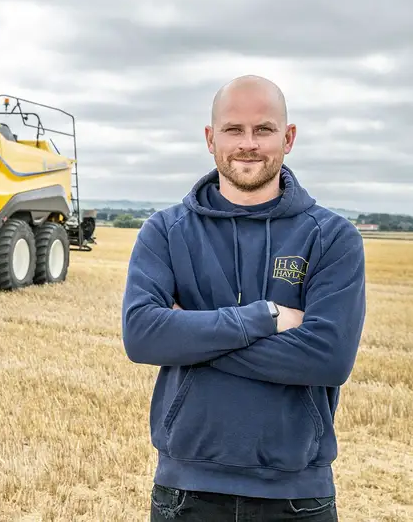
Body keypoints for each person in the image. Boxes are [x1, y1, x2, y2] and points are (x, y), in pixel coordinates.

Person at [121, 75, 366, 521]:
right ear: (211, 138)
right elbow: (142, 337)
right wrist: (266, 317)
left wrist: (191, 335)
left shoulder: (332, 237)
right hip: (185, 492)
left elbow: (328, 358)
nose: (248, 143)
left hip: (297, 496)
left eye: (264, 129)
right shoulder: (165, 231)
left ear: (288, 138)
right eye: (234, 130)